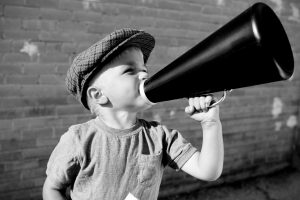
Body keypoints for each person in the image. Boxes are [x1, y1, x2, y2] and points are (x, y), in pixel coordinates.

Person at [42, 28, 224, 200]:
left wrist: (210, 124)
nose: (144, 76)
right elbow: (52, 188)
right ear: (99, 95)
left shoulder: (159, 136)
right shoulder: (79, 140)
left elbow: (208, 171)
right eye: (130, 70)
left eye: (144, 69)